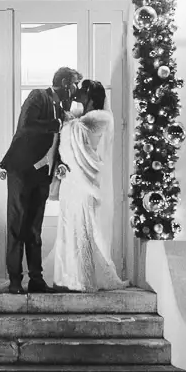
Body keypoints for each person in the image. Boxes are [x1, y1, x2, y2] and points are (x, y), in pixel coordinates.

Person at [0, 67, 83, 295]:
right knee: (17, 227)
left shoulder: (62, 108)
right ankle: (15, 281)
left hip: (42, 176)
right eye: (73, 85)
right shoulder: (38, 96)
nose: (74, 91)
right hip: (22, 171)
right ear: (64, 83)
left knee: (34, 230)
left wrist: (61, 163)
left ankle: (36, 279)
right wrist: (55, 124)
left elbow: (57, 143)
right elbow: (26, 126)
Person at [47, 79, 127, 293]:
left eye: (82, 91)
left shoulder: (100, 117)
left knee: (83, 226)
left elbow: (78, 134)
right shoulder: (80, 118)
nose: (77, 94)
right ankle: (66, 276)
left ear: (90, 96)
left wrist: (66, 120)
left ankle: (84, 278)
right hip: (71, 180)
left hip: (85, 181)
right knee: (68, 225)